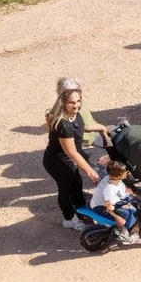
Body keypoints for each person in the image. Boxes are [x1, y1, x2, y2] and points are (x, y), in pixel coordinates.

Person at [43, 89, 104, 230]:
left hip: (69, 160)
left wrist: (101, 128)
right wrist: (89, 170)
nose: (76, 105)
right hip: (58, 162)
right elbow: (71, 152)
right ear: (64, 104)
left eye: (78, 101)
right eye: (71, 102)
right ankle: (69, 218)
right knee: (66, 188)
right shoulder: (63, 125)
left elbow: (83, 127)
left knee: (77, 184)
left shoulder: (75, 115)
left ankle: (81, 210)